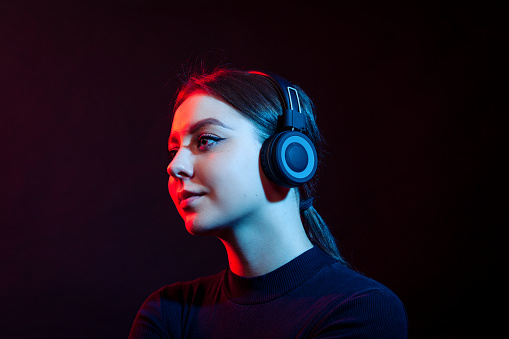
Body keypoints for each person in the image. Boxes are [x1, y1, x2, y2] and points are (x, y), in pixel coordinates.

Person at [129, 67, 408, 338]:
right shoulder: (168, 313)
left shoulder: (361, 310)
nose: (175, 166)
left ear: (288, 155)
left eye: (205, 140)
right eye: (173, 150)